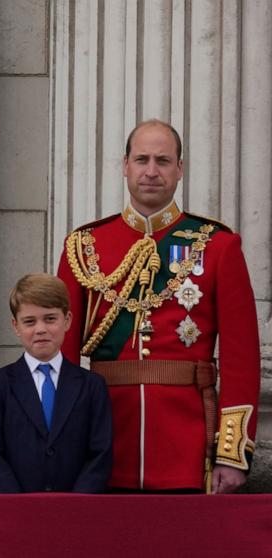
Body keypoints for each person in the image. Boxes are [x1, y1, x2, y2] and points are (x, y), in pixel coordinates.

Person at [56, 120, 260, 493]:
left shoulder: (217, 246)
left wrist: (231, 453)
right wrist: (65, 445)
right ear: (125, 165)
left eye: (163, 161)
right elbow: (64, 359)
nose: (151, 171)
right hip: (105, 440)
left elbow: (241, 358)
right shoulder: (83, 247)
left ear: (180, 169)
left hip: (189, 443)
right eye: (142, 159)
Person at [0, 273, 112, 493]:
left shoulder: (91, 386)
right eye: (29, 321)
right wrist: (17, 505)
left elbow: (100, 452)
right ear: (15, 326)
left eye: (50, 319)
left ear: (67, 320)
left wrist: (77, 503)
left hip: (76, 510)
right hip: (17, 510)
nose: (40, 329)